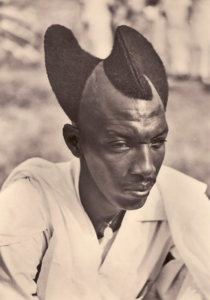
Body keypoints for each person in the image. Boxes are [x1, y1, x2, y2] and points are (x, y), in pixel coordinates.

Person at [0, 25, 209, 300]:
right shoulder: (31, 199)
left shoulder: (180, 204)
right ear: (76, 142)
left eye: (157, 143)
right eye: (120, 144)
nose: (146, 167)